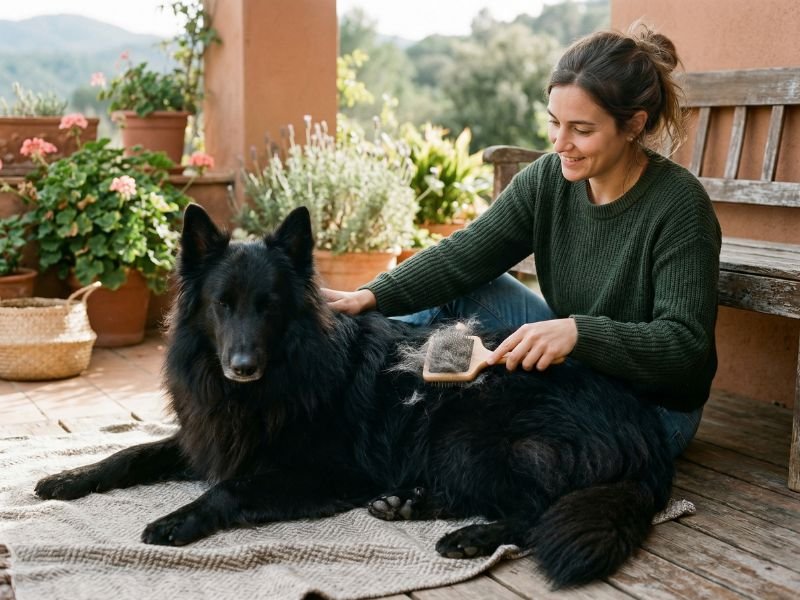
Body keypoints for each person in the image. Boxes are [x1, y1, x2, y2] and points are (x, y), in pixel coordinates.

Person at [322, 26, 722, 459]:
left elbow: (685, 346)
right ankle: (369, 407)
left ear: (634, 125)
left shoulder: (678, 204)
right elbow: (463, 256)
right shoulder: (548, 179)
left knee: (520, 448)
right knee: (462, 291)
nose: (560, 143)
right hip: (578, 371)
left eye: (581, 130)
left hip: (651, 410)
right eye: (554, 122)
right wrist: (369, 295)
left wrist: (577, 333)